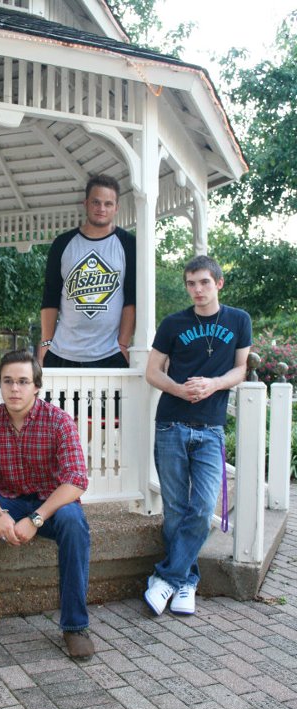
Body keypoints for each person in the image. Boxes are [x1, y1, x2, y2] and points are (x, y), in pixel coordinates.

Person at [0, 350, 94, 660]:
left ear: (36, 386)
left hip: (52, 505)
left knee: (74, 522)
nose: (14, 389)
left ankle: (74, 626)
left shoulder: (59, 421)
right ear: (0, 385)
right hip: (10, 501)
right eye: (8, 381)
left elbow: (75, 480)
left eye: (22, 381)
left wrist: (36, 519)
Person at [144, 255, 252, 616]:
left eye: (204, 282)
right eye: (191, 283)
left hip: (210, 428)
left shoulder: (238, 320)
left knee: (204, 508)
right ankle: (187, 583)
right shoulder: (173, 323)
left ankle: (166, 578)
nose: (197, 290)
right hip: (171, 424)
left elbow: (241, 369)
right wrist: (179, 389)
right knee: (175, 510)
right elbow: (152, 371)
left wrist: (213, 384)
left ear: (218, 283)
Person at [40, 174, 135, 369]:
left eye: (108, 204)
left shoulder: (128, 244)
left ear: (116, 208)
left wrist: (123, 343)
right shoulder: (62, 243)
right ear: (85, 203)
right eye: (96, 202)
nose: (101, 209)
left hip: (110, 353)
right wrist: (46, 342)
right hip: (62, 352)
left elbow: (131, 299)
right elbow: (50, 297)